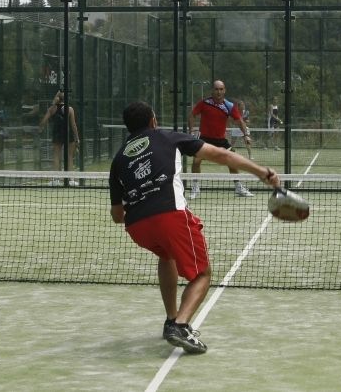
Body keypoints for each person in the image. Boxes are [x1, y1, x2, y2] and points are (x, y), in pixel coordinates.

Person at [109, 101, 280, 354]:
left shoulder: (119, 159)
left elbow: (117, 215)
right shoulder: (167, 137)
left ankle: (171, 318)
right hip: (170, 215)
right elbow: (221, 155)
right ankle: (179, 326)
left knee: (165, 255)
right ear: (153, 121)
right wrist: (261, 172)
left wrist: (144, 207)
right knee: (202, 274)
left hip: (137, 226)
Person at [187, 80, 254, 198]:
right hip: (204, 139)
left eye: (221, 89)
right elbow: (192, 115)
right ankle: (195, 188)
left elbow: (240, 121)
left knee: (232, 161)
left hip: (221, 141)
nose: (219, 92)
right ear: (212, 90)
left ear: (224, 90)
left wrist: (246, 135)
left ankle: (238, 188)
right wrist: (192, 130)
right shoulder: (204, 103)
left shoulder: (229, 106)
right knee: (196, 162)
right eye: (216, 89)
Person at [39, 90, 80, 184]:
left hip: (57, 134)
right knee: (69, 157)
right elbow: (73, 125)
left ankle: (56, 179)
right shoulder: (70, 109)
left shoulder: (52, 109)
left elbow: (44, 121)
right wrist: (77, 138)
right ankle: (71, 180)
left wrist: (40, 128)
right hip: (67, 134)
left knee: (56, 156)